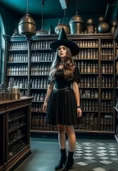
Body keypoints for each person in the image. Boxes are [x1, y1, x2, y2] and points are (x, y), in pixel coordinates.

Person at [43, 28, 83, 171]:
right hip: (55, 97)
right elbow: (50, 85)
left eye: (63, 48)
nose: (61, 50)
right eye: (59, 48)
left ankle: (70, 159)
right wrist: (46, 100)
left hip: (68, 97)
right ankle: (62, 157)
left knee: (69, 128)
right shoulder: (53, 66)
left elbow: (75, 87)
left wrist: (78, 106)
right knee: (60, 128)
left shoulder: (73, 66)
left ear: (68, 51)